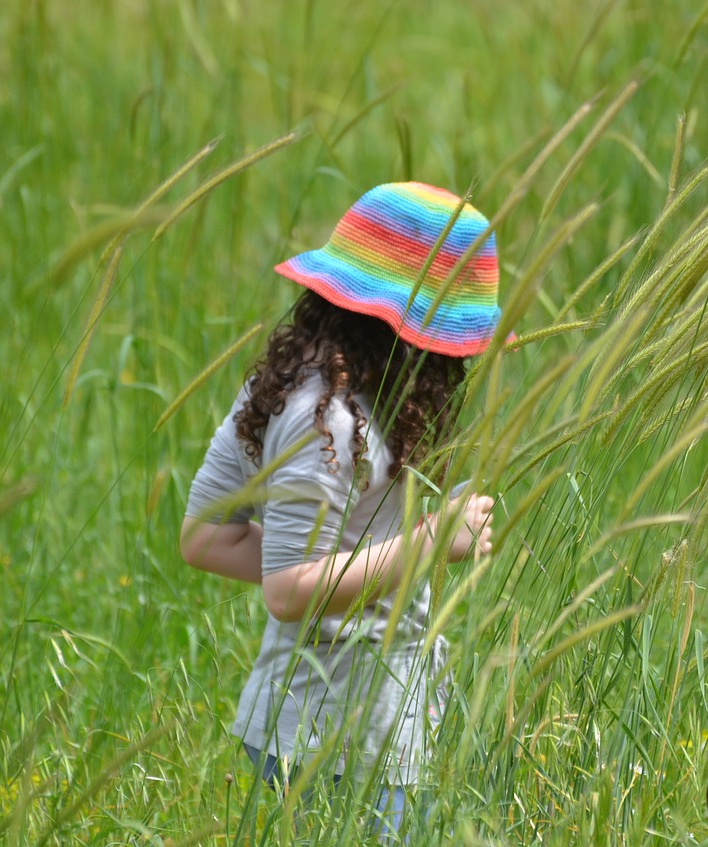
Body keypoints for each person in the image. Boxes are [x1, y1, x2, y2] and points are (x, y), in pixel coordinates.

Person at [179, 182, 504, 839]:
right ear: (404, 333)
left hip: (331, 721)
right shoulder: (322, 419)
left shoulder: (302, 385)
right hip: (337, 736)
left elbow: (206, 538)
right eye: (450, 346)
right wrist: (432, 542)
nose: (457, 365)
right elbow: (289, 589)